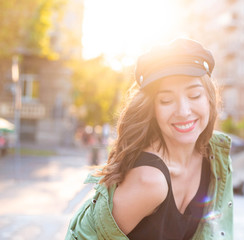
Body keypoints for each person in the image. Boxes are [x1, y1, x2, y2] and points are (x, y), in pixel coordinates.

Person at [65, 38, 233, 240]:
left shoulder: (215, 157)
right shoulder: (150, 181)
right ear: (152, 109)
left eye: (194, 95)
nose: (183, 111)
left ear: (209, 99)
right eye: (166, 100)